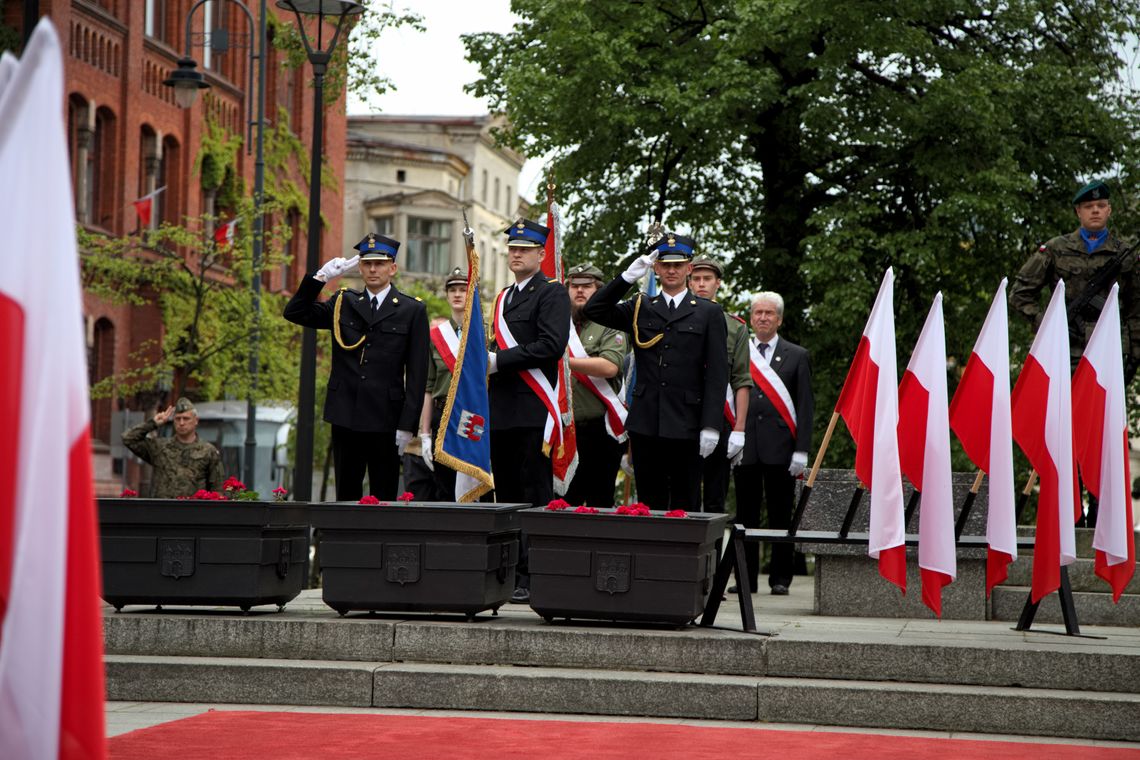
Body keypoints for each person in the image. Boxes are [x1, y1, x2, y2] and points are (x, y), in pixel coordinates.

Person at [1010, 179, 1140, 526]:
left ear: (1109, 209)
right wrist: (1046, 323)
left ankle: (1100, 514)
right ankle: (1071, 513)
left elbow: (1136, 310)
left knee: (1102, 435)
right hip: (1064, 354)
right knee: (1067, 432)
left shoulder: (1126, 253)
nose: (1095, 211)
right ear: (1078, 212)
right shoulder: (1054, 250)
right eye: (1088, 207)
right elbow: (1020, 294)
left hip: (1108, 359)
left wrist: (1132, 356)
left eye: (1101, 206)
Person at [583, 233, 728, 511]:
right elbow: (594, 309)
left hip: (688, 422)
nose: (671, 270)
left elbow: (718, 373)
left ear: (689, 269)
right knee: (648, 505)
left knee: (685, 506)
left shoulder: (708, 313)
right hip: (647, 422)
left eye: (678, 265)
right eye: (665, 265)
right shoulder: (641, 307)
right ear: (656, 268)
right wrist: (627, 276)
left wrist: (711, 424)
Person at [283, 232, 429, 501]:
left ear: (392, 268)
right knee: (346, 496)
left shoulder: (412, 310)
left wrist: (408, 425)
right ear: (359, 267)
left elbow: (418, 373)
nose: (373, 269)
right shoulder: (343, 303)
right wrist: (321, 278)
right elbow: (295, 312)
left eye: (380, 263)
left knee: (383, 496)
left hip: (386, 418)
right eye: (367, 263)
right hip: (346, 414)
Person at [488, 218, 571, 602]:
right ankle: (504, 570)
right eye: (513, 249)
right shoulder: (503, 297)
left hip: (534, 407)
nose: (516, 254)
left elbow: (551, 346)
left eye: (525, 249)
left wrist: (499, 361)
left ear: (541, 254)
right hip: (502, 407)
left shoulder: (551, 293)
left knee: (533, 491)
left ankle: (529, 573)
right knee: (504, 491)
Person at [732, 292, 813, 595]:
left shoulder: (797, 355)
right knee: (745, 516)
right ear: (751, 318)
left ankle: (781, 578)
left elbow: (806, 406)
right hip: (746, 445)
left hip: (782, 448)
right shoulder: (741, 352)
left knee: (781, 515)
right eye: (758, 313)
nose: (763, 317)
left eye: (769, 313)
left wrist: (802, 449)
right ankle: (745, 579)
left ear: (779, 319)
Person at [562, 263, 629, 508]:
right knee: (563, 503)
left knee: (599, 504)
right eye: (574, 286)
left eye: (587, 286)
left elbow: (610, 366)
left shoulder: (611, 322)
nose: (579, 291)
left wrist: (564, 362)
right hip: (565, 431)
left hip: (600, 430)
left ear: (599, 290)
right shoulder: (559, 325)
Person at [688, 255, 751, 512]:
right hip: (682, 417)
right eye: (697, 278)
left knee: (715, 498)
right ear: (689, 282)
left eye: (708, 279)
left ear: (718, 283)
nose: (702, 284)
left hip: (720, 418)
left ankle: (712, 553)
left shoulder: (735, 327)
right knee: (683, 498)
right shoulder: (673, 317)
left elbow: (741, 379)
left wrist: (739, 429)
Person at [416, 268, 470, 501]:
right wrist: (425, 433)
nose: (457, 294)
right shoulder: (436, 336)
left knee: (474, 485)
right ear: (447, 295)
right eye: (452, 290)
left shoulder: (485, 333)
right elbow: (428, 388)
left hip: (473, 416)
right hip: (442, 416)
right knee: (445, 487)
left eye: (463, 290)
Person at [121, 397, 223, 498]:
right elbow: (128, 438)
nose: (181, 423)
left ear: (196, 420)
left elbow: (217, 491)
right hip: (163, 510)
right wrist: (153, 423)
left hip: (193, 512)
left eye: (186, 418)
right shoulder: (159, 447)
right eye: (178, 419)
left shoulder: (208, 451)